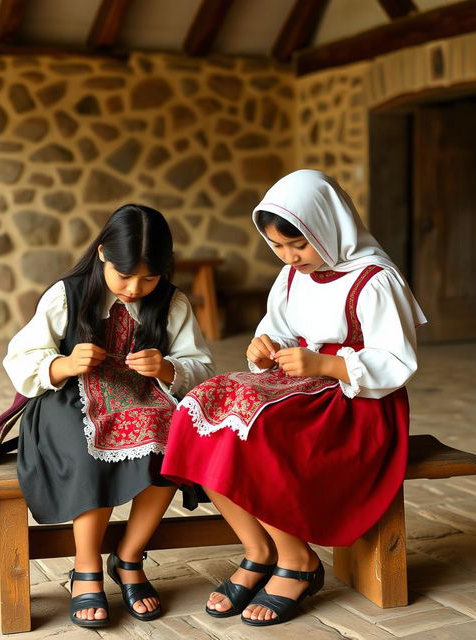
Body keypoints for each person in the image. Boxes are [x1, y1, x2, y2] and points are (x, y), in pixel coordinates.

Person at [161, 170, 426, 627]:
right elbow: (278, 330)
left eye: (297, 245)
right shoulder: (291, 277)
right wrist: (261, 347)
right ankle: (259, 549)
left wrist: (325, 366)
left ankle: (298, 561)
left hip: (358, 402)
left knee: (256, 430)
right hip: (302, 386)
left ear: (328, 225)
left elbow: (397, 362)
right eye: (278, 247)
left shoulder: (374, 279)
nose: (289, 257)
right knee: (199, 408)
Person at [2, 204, 214, 628]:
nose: (135, 288)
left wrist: (168, 368)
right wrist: (63, 364)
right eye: (125, 275)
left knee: (170, 436)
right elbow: (20, 357)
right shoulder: (68, 294)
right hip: (68, 400)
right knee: (86, 449)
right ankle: (86, 568)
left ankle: (130, 557)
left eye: (149, 278)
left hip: (142, 398)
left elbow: (201, 366)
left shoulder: (172, 303)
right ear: (102, 254)